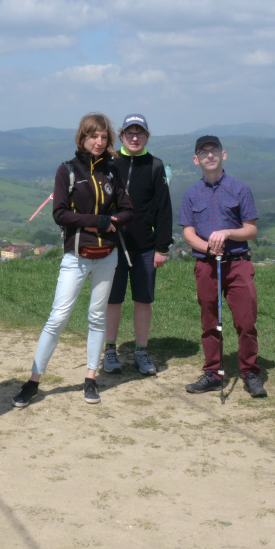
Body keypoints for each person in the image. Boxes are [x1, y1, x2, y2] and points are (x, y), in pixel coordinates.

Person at [12, 113, 133, 408]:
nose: (99, 142)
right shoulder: (66, 170)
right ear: (82, 137)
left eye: (103, 137)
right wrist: (98, 222)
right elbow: (60, 213)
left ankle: (90, 378)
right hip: (76, 256)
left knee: (97, 317)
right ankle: (33, 381)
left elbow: (128, 210)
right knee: (57, 317)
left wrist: (110, 222)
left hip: (108, 255)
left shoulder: (113, 171)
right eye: (93, 136)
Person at [179, 135, 267, 398]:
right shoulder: (190, 194)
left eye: (214, 150)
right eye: (203, 152)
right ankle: (213, 373)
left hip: (238, 263)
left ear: (223, 154)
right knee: (210, 320)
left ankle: (249, 372)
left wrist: (227, 233)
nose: (210, 155)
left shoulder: (240, 189)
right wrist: (208, 247)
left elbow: (251, 230)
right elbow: (188, 233)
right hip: (207, 265)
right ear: (196, 159)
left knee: (245, 320)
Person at [103, 113, 172, 376]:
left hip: (145, 247)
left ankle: (141, 352)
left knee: (143, 300)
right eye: (130, 133)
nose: (135, 138)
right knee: (113, 299)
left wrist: (162, 248)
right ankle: (110, 350)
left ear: (146, 137)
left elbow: (164, 209)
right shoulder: (109, 162)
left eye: (140, 133)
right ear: (121, 136)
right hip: (113, 245)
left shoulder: (155, 165)